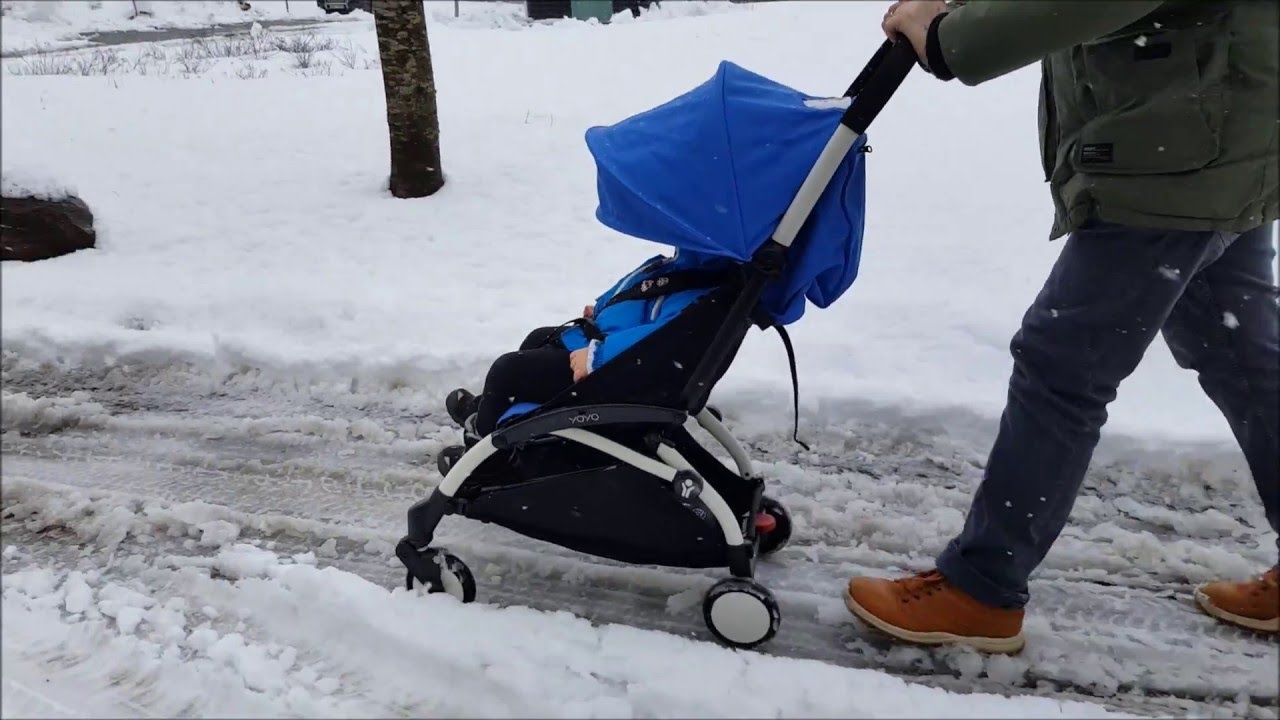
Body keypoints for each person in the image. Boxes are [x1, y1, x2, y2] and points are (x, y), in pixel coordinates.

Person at [843, 0, 1279, 653]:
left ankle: (981, 588)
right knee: (1238, 349)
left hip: (1187, 145)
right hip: (1225, 120)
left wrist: (948, 37)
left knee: (1063, 363)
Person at [443, 248, 727, 443]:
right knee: (539, 339)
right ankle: (499, 415)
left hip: (618, 377)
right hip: (614, 357)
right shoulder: (684, 268)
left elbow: (663, 341)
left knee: (509, 370)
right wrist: (601, 312)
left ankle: (482, 442)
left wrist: (599, 357)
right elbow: (633, 299)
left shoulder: (703, 295)